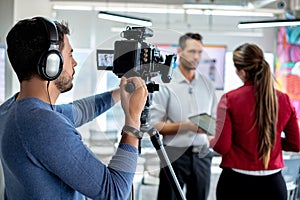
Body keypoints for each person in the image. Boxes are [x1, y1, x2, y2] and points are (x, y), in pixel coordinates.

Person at [0, 16, 148, 199]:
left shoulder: (12, 110)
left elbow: (80, 110)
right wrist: (133, 121)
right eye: (70, 55)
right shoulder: (42, 124)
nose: (75, 62)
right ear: (51, 63)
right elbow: (115, 192)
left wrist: (121, 92)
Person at [209, 43, 300, 200]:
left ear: (242, 72)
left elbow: (222, 147)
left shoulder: (229, 99)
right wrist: (273, 140)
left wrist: (210, 139)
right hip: (273, 186)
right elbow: (295, 144)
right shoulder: (283, 99)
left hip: (236, 184)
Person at [150, 33, 218, 200]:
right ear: (180, 51)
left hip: (202, 154)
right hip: (173, 154)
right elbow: (154, 126)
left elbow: (216, 121)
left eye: (199, 52)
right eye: (192, 51)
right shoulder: (165, 82)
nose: (196, 57)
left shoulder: (207, 84)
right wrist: (187, 126)